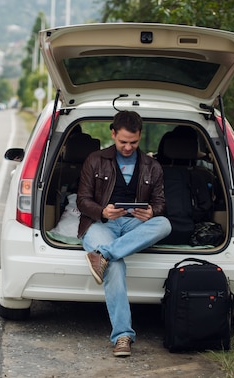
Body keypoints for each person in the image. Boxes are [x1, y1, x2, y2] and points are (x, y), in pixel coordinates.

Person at [76, 110, 171, 357]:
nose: (128, 147)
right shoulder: (95, 160)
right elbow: (82, 201)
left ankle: (102, 254)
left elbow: (161, 204)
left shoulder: (153, 166)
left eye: (134, 142)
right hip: (100, 224)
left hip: (134, 225)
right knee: (114, 267)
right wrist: (103, 211)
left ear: (140, 137)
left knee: (164, 225)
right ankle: (123, 336)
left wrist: (151, 212)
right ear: (113, 134)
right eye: (123, 142)